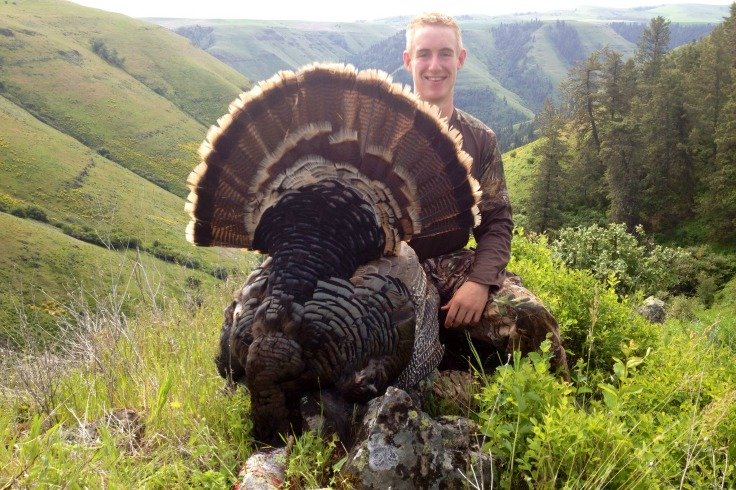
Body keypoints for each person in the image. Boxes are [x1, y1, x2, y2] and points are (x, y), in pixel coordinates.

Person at [403, 12, 569, 377]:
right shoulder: (378, 132)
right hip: (387, 270)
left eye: (445, 54)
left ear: (460, 60)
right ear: (408, 60)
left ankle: (563, 418)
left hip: (449, 263)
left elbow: (496, 221)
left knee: (531, 319)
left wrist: (480, 282)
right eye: (424, 53)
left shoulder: (480, 138)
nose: (434, 65)